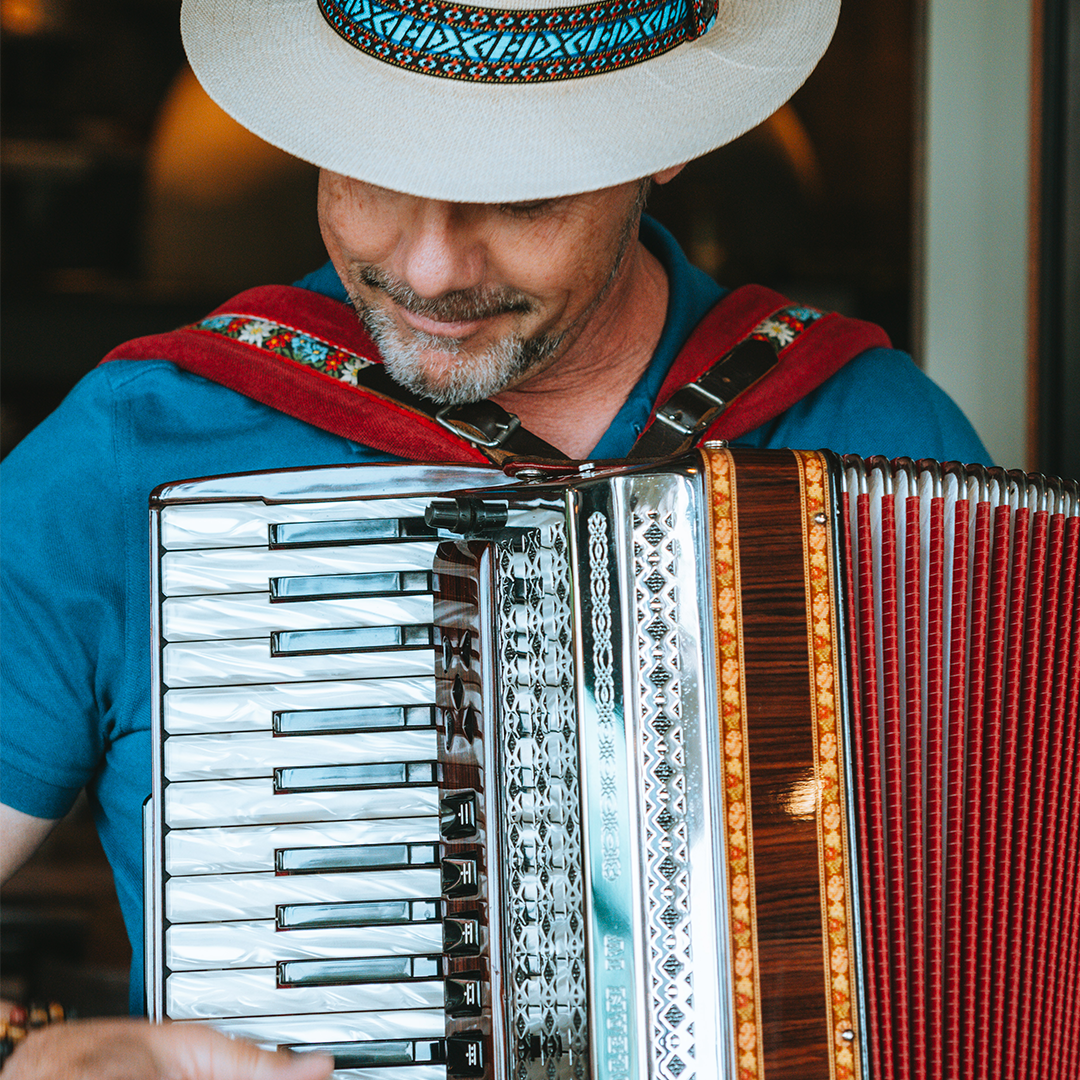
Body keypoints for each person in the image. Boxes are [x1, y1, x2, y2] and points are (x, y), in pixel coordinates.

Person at [0, 0, 989, 1074]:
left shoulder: (883, 449)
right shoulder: (130, 453)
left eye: (518, 197)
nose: (427, 267)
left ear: (663, 149)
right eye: (369, 170)